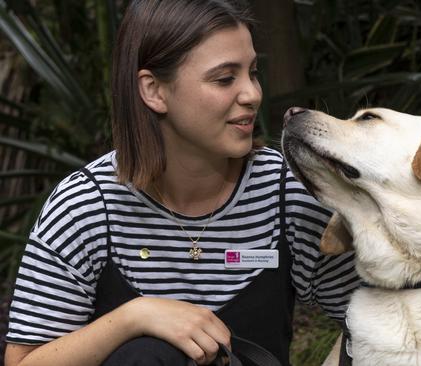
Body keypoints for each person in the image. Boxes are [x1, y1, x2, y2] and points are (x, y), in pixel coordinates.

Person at [3, 1, 358, 365]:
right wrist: (132, 318)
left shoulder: (287, 192)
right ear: (154, 90)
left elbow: (375, 321)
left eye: (252, 72)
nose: (252, 93)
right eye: (224, 78)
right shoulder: (86, 206)